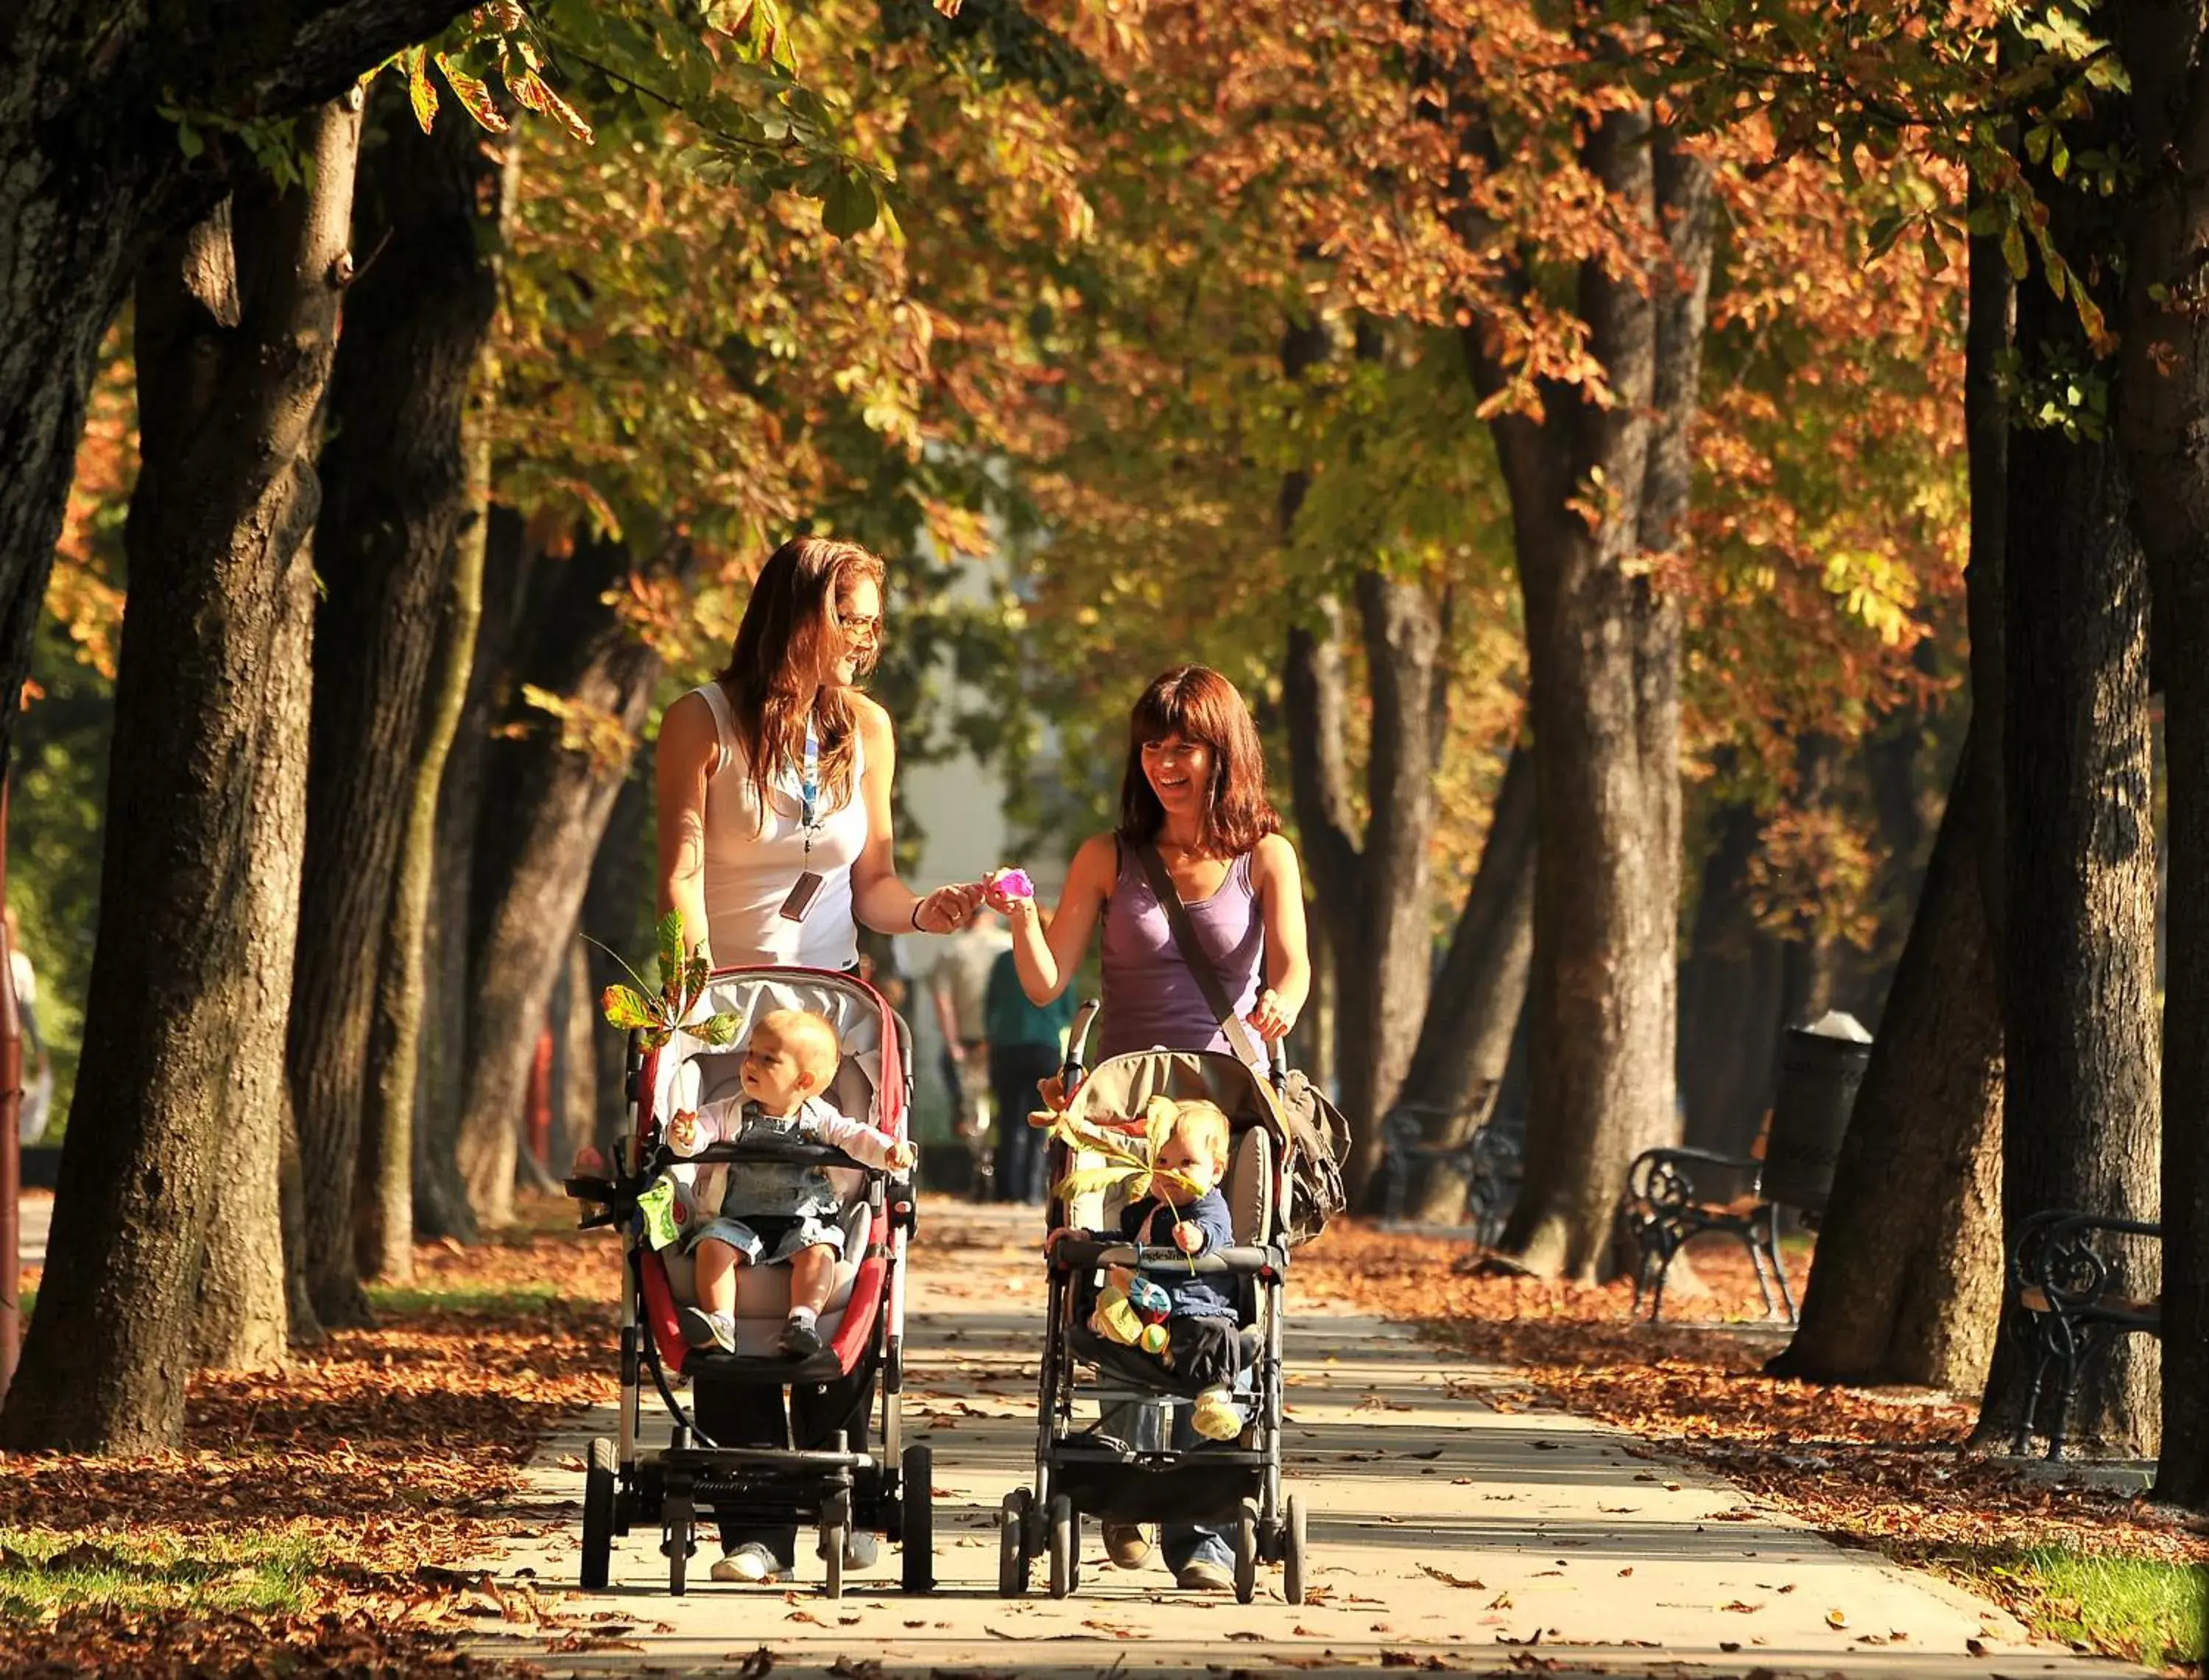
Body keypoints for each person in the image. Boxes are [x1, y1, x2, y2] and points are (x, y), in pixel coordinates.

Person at [653, 534, 983, 1587]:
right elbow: (682, 874)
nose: (864, 638)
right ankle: (753, 1515)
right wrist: (691, 990)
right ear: (797, 615)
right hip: (729, 1020)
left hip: (830, 1026)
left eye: (873, 620)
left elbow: (874, 884)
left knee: (845, 1224)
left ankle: (830, 1466)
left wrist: (933, 910)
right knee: (717, 1227)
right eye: (851, 616)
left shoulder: (868, 731)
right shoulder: (700, 722)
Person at [984, 663, 1311, 1592]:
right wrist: (1017, 915)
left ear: (1224, 751)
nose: (1167, 761)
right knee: (1121, 1281)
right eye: (1154, 744)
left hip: (1216, 1117)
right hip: (1122, 1116)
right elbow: (1049, 980)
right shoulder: (1108, 856)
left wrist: (1279, 1006)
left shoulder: (1265, 856)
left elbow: (1292, 966)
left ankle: (1205, 1527)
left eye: (1187, 744)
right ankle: (1126, 1485)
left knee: (1216, 1285)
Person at [675, 1008, 915, 1361]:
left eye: (766, 1059)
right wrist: (687, 1134)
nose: (749, 1064)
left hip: (805, 1220)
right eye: (750, 1053)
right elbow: (701, 1133)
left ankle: (802, 1321)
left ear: (803, 1081)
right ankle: (719, 1323)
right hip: (737, 1220)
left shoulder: (822, 1119)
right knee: (712, 1247)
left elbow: (856, 1137)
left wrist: (887, 1152)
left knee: (820, 1255)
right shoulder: (728, 1111)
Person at [1051, 1098, 1245, 1441]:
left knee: (1213, 1335)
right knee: (1105, 1324)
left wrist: (1197, 1238)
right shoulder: (1146, 1210)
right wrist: (1086, 1237)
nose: (1172, 1171)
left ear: (1215, 1171)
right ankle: (1124, 1439)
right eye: (1162, 1161)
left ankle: (1211, 1406)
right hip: (1143, 1314)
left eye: (1187, 1163)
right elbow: (1125, 1238)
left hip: (1193, 1309)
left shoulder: (1210, 1207)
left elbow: (1216, 1233)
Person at [981, 943, 1077, 1204]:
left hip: (1007, 1044)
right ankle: (1034, 1189)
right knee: (1041, 1120)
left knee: (1008, 1119)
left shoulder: (1004, 961)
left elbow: (990, 1003)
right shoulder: (1058, 959)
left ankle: (1006, 1191)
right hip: (1044, 1045)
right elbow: (1068, 1011)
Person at [928, 904, 1010, 1154]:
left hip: (967, 1041)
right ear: (992, 917)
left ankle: (977, 1159)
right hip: (1005, 1042)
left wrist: (952, 1044)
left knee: (970, 1108)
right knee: (1006, 1108)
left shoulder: (952, 951)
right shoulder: (1010, 946)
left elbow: (944, 1002)